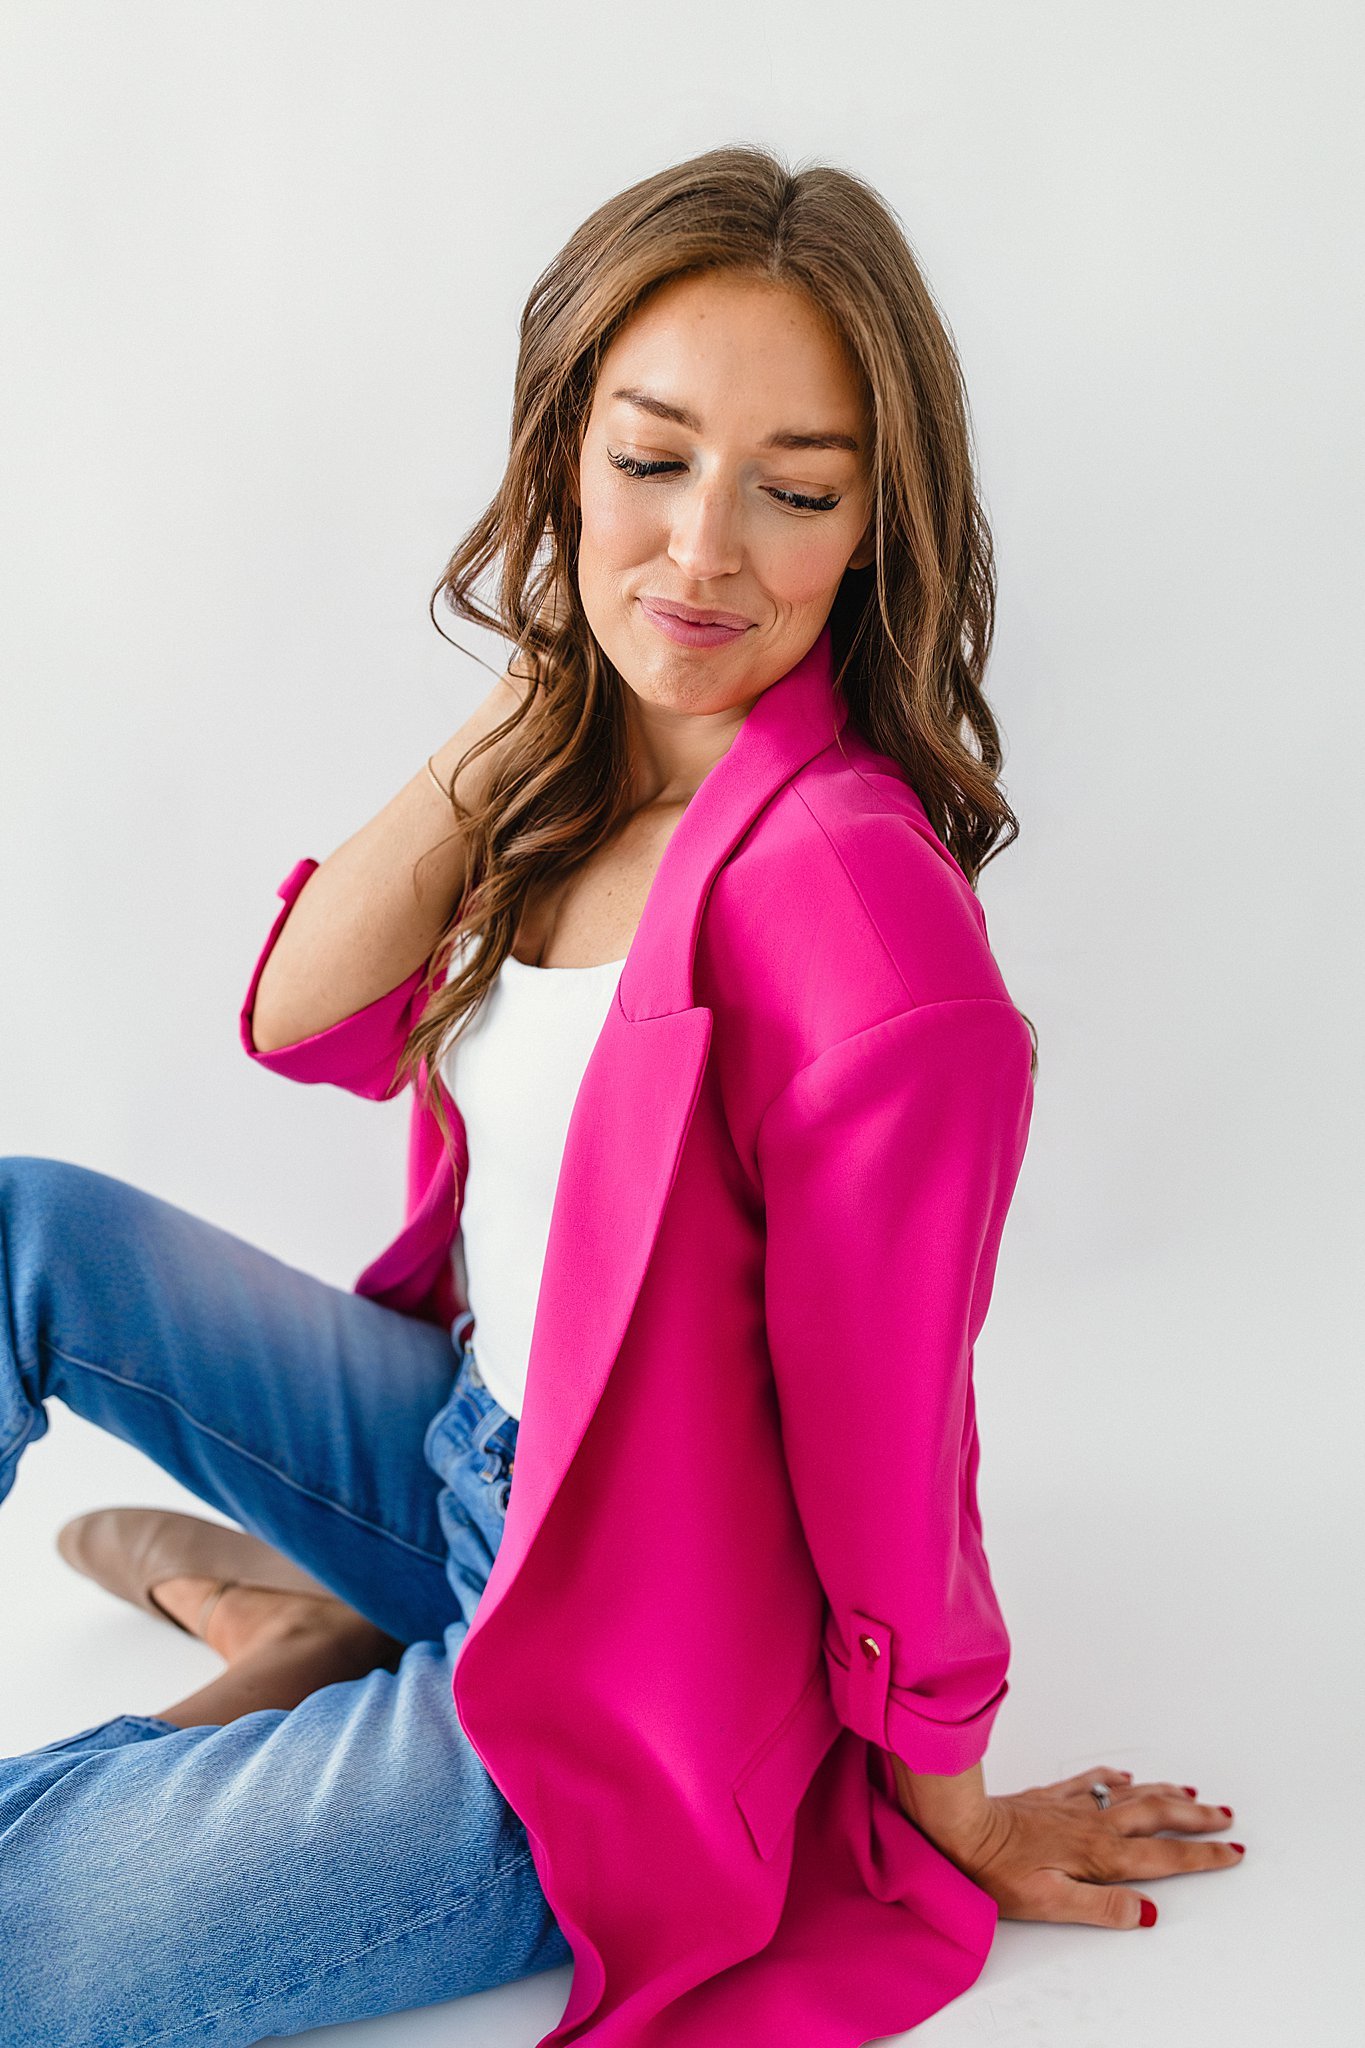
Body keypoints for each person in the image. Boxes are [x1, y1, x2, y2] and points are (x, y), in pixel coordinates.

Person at [0, 144, 1243, 2048]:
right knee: (23, 1233)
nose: (701, 553)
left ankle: (317, 1652)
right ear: (562, 448)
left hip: (639, 1662)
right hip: (478, 1459)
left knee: (31, 1942)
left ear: (873, 525)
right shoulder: (578, 770)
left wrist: (951, 1802)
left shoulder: (862, 930)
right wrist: (550, 690)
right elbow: (298, 1016)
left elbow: (891, 1446)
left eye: (793, 492)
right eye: (648, 461)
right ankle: (321, 1627)